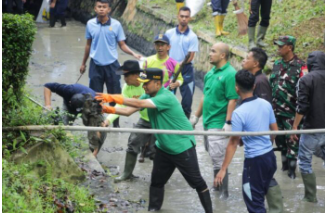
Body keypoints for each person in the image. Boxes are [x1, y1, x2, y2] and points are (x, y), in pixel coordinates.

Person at [95, 68, 213, 213]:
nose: (143, 86)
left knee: (197, 183)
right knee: (157, 182)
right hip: (163, 147)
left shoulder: (166, 97)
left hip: (181, 147)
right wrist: (106, 110)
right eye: (142, 83)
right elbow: (127, 111)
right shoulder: (147, 95)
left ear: (157, 83)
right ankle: (153, 210)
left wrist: (111, 97)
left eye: (146, 83)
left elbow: (138, 105)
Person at [215, 70, 278, 213]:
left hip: (254, 162)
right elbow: (274, 130)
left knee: (253, 202)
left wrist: (223, 169)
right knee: (261, 195)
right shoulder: (265, 104)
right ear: (254, 86)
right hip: (270, 157)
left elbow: (233, 142)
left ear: (237, 89)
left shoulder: (239, 112)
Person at [79, 0, 141, 127]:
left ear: (109, 10)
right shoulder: (90, 24)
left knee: (115, 96)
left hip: (112, 66)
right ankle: (97, 123)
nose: (101, 9)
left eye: (104, 7)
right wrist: (83, 63)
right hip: (95, 65)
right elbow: (88, 45)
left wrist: (133, 54)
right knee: (96, 97)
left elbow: (122, 45)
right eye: (99, 7)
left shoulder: (116, 25)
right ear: (95, 9)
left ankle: (115, 124)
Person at [191, 42, 238, 199]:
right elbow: (205, 96)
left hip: (219, 124)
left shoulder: (230, 74)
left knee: (219, 161)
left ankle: (223, 197)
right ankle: (217, 189)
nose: (209, 54)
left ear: (223, 55)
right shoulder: (211, 73)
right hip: (207, 123)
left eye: (213, 51)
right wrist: (196, 117)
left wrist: (228, 122)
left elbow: (232, 99)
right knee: (214, 158)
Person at [242, 48, 284, 212]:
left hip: (261, 145)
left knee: (263, 179)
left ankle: (276, 208)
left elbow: (267, 112)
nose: (243, 60)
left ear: (256, 63)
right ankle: (275, 208)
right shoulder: (254, 79)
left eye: (247, 58)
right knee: (265, 178)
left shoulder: (260, 82)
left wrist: (268, 140)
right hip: (258, 144)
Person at [103, 60, 156, 182]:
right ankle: (127, 174)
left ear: (135, 75)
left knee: (156, 150)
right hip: (144, 119)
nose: (124, 79)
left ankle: (159, 178)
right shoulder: (127, 88)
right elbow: (121, 106)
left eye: (126, 76)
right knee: (133, 142)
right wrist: (107, 120)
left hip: (159, 120)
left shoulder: (148, 83)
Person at [269, 35, 307, 179]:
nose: (278, 48)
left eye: (280, 46)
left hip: (292, 113)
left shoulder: (301, 66)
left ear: (289, 47)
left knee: (293, 144)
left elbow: (305, 92)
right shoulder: (277, 64)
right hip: (276, 112)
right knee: (281, 144)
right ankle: (284, 171)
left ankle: (292, 175)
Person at [291, 51, 325, 203]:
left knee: (304, 161)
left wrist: (295, 126)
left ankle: (310, 197)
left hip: (312, 128)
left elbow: (302, 106)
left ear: (310, 64)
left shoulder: (306, 79)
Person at [44, 83, 105, 157]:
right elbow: (47, 86)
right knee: (63, 127)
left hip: (87, 108)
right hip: (69, 107)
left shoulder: (94, 101)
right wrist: (48, 105)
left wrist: (96, 147)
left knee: (97, 130)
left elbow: (98, 127)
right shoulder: (67, 90)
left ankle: (93, 151)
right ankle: (63, 146)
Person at [165, 6, 199, 119]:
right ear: (178, 17)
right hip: (170, 70)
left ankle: (185, 128)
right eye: (182, 16)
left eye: (186, 17)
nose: (184, 19)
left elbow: (191, 56)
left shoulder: (192, 37)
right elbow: (165, 52)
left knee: (187, 102)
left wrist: (179, 64)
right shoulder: (169, 33)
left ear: (190, 18)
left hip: (186, 71)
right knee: (168, 99)